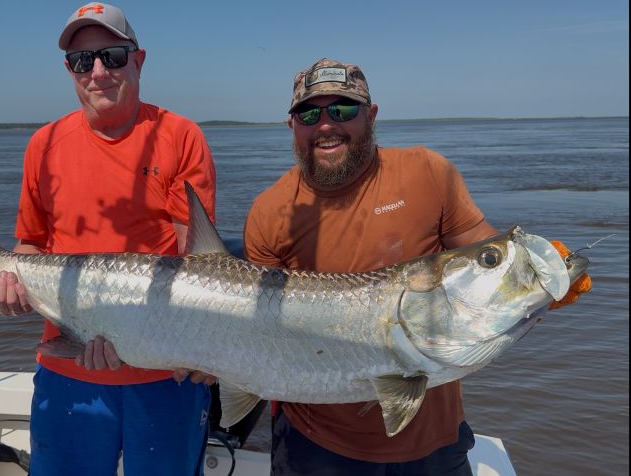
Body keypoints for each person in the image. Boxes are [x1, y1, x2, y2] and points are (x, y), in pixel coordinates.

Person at [243, 58, 592, 475]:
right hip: (315, 445)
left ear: (371, 115)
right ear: (292, 126)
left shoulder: (428, 173)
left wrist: (535, 281)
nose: (325, 125)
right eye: (309, 113)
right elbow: (255, 331)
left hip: (434, 443)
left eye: (342, 109)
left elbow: (485, 258)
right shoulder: (270, 211)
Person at [0, 2, 218, 476]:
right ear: (67, 69)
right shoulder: (43, 144)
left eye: (110, 56)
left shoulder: (181, 136)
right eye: (80, 61)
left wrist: (209, 351)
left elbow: (199, 265)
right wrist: (8, 280)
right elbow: (30, 245)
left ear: (138, 59)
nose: (96, 72)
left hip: (165, 373)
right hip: (69, 369)